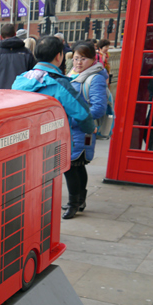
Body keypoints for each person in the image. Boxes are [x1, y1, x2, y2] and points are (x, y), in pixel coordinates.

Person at [11, 36, 95, 219]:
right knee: (63, 171)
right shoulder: (60, 83)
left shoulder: (20, 80)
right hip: (54, 140)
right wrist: (91, 127)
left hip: (26, 141)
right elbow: (82, 113)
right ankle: (72, 204)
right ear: (59, 56)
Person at [62, 41, 108, 218]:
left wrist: (73, 119)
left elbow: (98, 108)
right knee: (78, 166)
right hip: (72, 129)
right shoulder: (74, 73)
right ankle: (80, 200)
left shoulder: (95, 77)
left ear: (92, 59)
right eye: (75, 58)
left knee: (71, 167)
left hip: (81, 129)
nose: (78, 63)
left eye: (83, 59)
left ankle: (73, 204)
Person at [0, 23, 35, 90]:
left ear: (0, 37)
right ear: (15, 35)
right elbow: (33, 79)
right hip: (20, 96)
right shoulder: (27, 53)